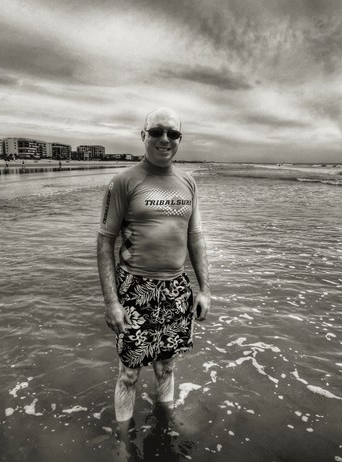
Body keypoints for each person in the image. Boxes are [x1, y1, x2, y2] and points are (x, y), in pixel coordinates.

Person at [96, 107, 211, 436]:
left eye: (173, 133)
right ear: (143, 135)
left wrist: (204, 289)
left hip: (176, 288)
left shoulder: (188, 182)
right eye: (157, 131)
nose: (165, 139)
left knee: (167, 368)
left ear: (179, 139)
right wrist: (111, 302)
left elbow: (195, 237)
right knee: (129, 373)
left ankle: (165, 427)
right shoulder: (123, 182)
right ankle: (122, 441)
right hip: (134, 288)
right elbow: (105, 241)